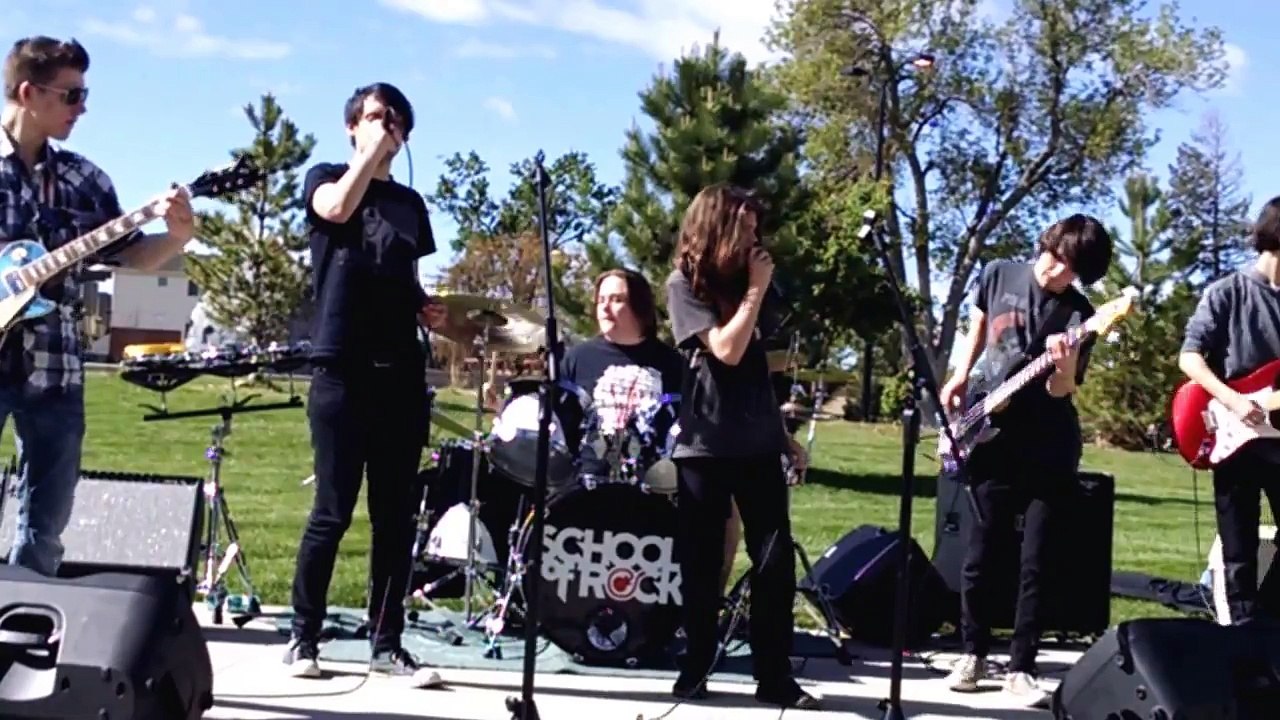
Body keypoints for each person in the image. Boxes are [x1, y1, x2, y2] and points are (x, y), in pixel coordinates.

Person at [0, 36, 193, 575]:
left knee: (46, 526)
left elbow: (133, 256)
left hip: (56, 371)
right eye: (71, 95)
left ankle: (20, 626)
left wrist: (175, 237)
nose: (82, 108)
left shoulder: (86, 180)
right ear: (27, 92)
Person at [283, 82, 456, 682]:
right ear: (352, 126)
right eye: (377, 118)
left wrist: (424, 307)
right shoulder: (326, 174)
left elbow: (400, 270)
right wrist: (366, 157)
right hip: (341, 367)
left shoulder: (410, 203)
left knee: (395, 516)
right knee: (332, 510)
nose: (389, 129)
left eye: (398, 122)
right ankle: (303, 636)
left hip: (399, 372)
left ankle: (387, 642)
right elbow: (335, 211)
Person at [938, 214, 1113, 701]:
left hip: (1048, 445)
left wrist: (1066, 364)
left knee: (1036, 558)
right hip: (988, 433)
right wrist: (959, 377)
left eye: (1070, 270)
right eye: (1055, 257)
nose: (1055, 272)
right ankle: (972, 653)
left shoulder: (1081, 316)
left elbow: (1062, 391)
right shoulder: (998, 273)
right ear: (1047, 244)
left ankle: (1021, 665)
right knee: (982, 549)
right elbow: (975, 331)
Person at [664, 183, 816, 710]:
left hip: (755, 445)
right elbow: (726, 351)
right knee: (704, 567)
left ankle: (774, 677)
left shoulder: (755, 289)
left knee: (774, 564)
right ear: (720, 225)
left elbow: (753, 372)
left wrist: (782, 436)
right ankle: (695, 669)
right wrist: (754, 289)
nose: (757, 237)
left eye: (758, 228)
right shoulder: (684, 285)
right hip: (705, 445)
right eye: (747, 226)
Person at [1178, 196, 1280, 625]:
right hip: (1233, 437)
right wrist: (1235, 400)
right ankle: (1242, 637)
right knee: (1237, 551)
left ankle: (1268, 622)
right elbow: (1189, 358)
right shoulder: (1228, 292)